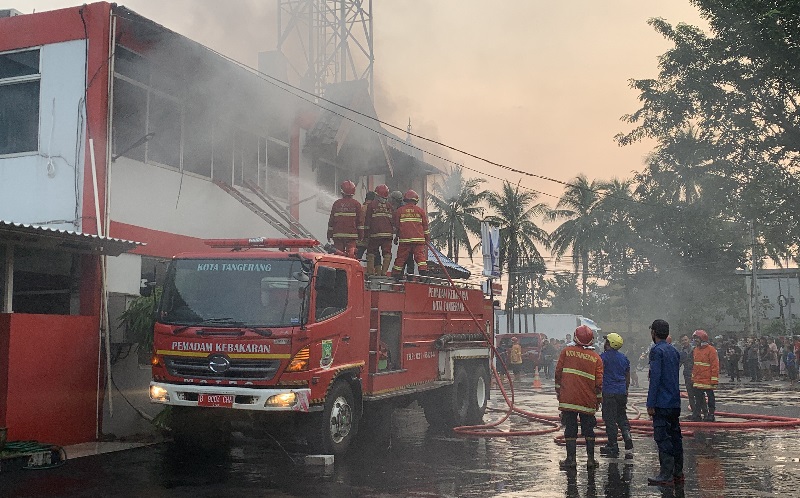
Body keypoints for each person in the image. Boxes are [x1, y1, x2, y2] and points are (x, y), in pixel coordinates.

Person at [555, 325, 604, 470]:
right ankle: (590, 460)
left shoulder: (566, 352)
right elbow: (599, 383)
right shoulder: (596, 358)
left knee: (570, 429)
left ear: (575, 337)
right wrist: (598, 401)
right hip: (587, 401)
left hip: (568, 400)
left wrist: (559, 392)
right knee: (589, 430)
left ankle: (571, 460)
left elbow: (558, 373)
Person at [646, 319, 684, 487]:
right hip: (674, 402)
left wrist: (650, 403)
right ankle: (678, 473)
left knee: (663, 438)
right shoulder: (674, 351)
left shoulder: (656, 351)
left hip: (661, 402)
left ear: (654, 332)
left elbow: (655, 378)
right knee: (676, 437)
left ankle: (666, 474)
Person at [599, 332, 633, 459]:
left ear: (609, 343)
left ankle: (612, 445)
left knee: (610, 419)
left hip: (609, 393)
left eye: (606, 341)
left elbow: (598, 374)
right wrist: (625, 389)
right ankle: (627, 436)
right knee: (621, 415)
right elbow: (627, 375)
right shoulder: (624, 358)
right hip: (621, 392)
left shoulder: (603, 357)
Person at [391, 190, 430, 278]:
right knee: (420, 258)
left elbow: (397, 226)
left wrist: (396, 237)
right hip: (418, 240)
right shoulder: (420, 211)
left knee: (401, 258)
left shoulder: (399, 211)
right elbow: (425, 227)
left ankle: (396, 276)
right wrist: (427, 239)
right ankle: (423, 276)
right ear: (416, 200)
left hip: (405, 240)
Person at [327, 180, 363, 258]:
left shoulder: (337, 203)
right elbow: (360, 222)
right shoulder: (357, 204)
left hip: (337, 236)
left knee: (338, 257)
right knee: (351, 256)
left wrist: (329, 233)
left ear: (342, 191)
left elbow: (331, 221)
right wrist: (361, 235)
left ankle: (338, 270)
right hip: (351, 236)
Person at [365, 184, 394, 276]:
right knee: (387, 253)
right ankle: (384, 272)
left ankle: (370, 272)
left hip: (375, 234)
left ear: (377, 194)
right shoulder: (390, 206)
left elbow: (367, 221)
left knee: (371, 252)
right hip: (388, 235)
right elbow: (393, 221)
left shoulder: (371, 205)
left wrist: (366, 234)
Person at [690, 329, 719, 422]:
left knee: (710, 398)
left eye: (697, 338)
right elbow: (695, 365)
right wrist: (693, 378)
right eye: (694, 338)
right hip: (698, 380)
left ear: (702, 338)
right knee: (698, 399)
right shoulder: (695, 350)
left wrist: (714, 380)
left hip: (708, 380)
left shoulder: (711, 350)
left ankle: (711, 414)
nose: (695, 340)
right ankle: (697, 414)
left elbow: (715, 366)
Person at [356, 190, 375, 262]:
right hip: (371, 236)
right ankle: (374, 272)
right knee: (373, 254)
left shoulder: (362, 208)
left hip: (361, 236)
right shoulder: (374, 208)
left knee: (358, 255)